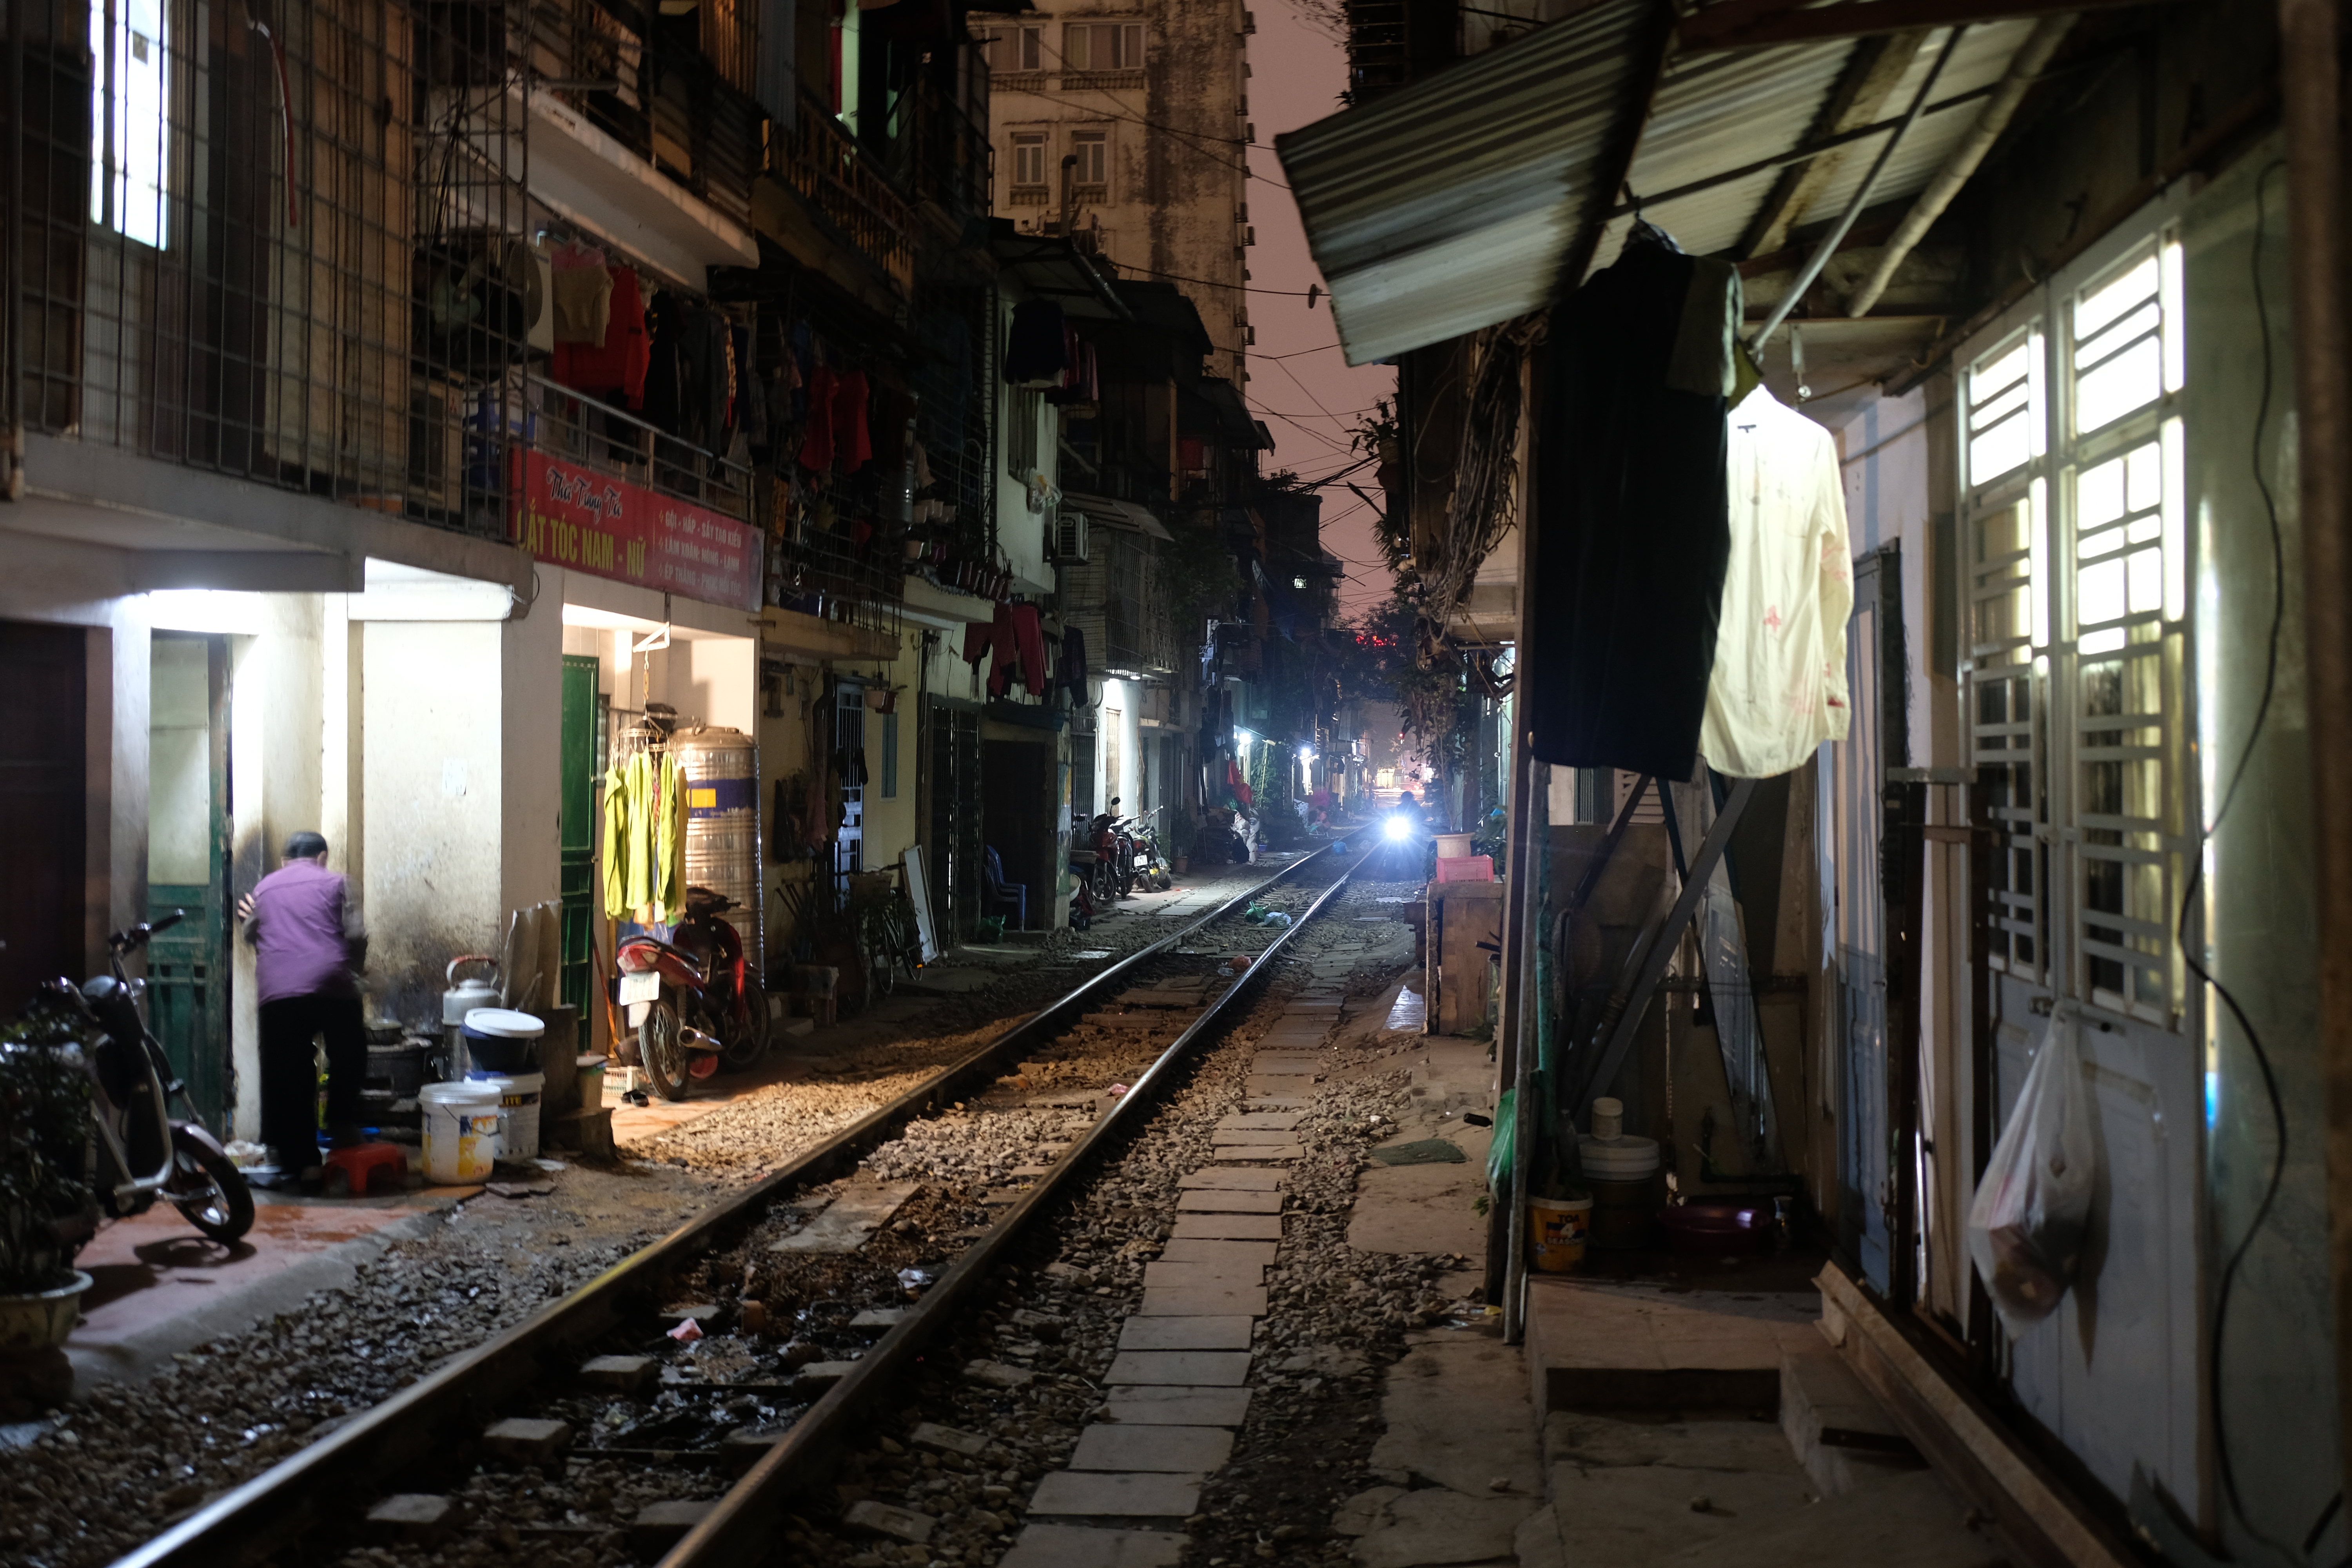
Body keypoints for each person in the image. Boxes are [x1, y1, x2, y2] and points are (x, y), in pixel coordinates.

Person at [238, 831, 368, 1181]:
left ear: (284, 861)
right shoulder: (340, 882)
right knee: (349, 1051)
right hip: (332, 986)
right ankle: (339, 1119)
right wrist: (356, 972)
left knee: (290, 1073)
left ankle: (304, 1164)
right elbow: (356, 936)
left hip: (278, 993)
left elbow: (251, 934)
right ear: (323, 857)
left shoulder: (264, 888)